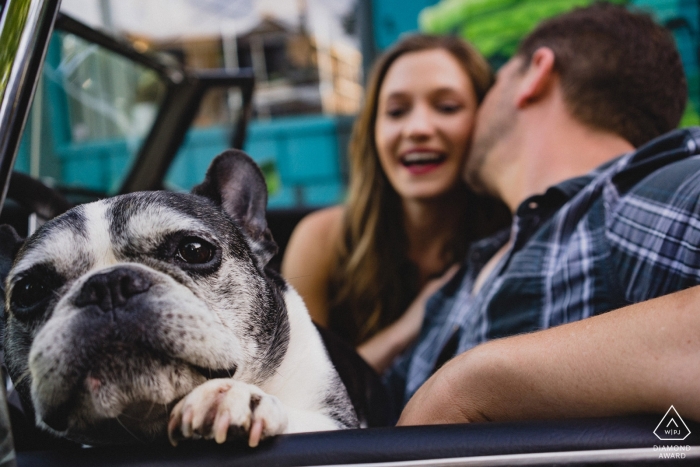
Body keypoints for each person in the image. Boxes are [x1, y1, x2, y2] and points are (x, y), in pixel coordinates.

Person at [387, 3, 700, 423]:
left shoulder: (636, 198)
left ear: (535, 72)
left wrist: (472, 382)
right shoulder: (466, 274)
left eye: (494, 82)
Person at [282, 35, 510, 374]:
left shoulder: (513, 236)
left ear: (485, 121)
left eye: (447, 107)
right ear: (373, 131)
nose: (417, 129)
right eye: (396, 111)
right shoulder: (320, 240)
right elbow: (301, 390)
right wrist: (407, 328)